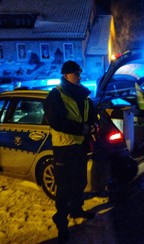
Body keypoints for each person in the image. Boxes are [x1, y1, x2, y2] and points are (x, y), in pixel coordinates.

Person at [44, 60, 98, 243]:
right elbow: (55, 121)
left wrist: (92, 125)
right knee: (64, 189)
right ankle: (61, 224)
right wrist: (81, 129)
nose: (79, 76)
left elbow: (90, 116)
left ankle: (76, 209)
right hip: (64, 149)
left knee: (80, 181)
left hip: (79, 146)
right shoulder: (55, 95)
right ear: (66, 75)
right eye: (76, 74)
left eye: (79, 73)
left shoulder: (83, 96)